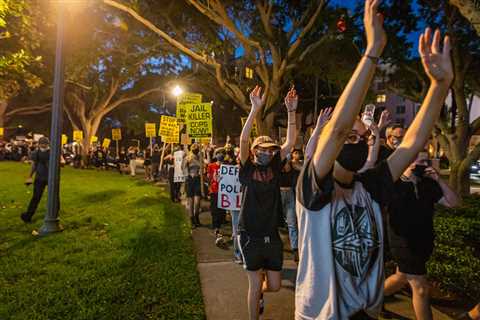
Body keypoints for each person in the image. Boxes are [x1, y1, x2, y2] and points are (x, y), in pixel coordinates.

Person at [295, 0, 454, 317]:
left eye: (364, 137)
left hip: (366, 312)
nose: (360, 141)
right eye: (352, 137)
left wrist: (440, 86)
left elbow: (410, 145)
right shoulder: (314, 188)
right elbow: (339, 128)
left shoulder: (370, 186)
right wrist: (372, 52)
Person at [239, 85, 298, 320]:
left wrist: (291, 111)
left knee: (273, 286)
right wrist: (254, 109)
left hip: (272, 236)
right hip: (250, 235)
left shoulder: (274, 165)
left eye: (271, 150)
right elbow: (244, 139)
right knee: (254, 285)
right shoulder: (247, 168)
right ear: (254, 151)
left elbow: (291, 142)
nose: (268, 153)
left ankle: (260, 295)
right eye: (262, 149)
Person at [384, 151, 460, 320]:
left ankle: (369, 299)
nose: (421, 164)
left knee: (401, 277)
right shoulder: (393, 182)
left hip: (424, 241)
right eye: (417, 160)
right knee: (421, 289)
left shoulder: (428, 183)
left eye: (425, 161)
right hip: (403, 243)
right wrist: (405, 172)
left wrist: (439, 180)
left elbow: (454, 202)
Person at [20, 137, 53, 223]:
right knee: (37, 197)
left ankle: (54, 213)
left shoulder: (52, 152)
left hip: (48, 177)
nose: (43, 145)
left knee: (51, 196)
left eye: (44, 144)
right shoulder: (36, 153)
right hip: (42, 177)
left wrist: (30, 176)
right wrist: (30, 176)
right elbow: (34, 165)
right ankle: (28, 216)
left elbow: (34, 165)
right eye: (42, 143)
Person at [279, 148, 303, 262]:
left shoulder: (294, 168)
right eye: (285, 161)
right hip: (279, 195)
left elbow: (303, 169)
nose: (287, 163)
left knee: (292, 223)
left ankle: (295, 250)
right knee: (277, 224)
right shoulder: (277, 169)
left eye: (288, 161)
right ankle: (277, 248)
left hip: (290, 195)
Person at [183, 143, 204, 228]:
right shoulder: (188, 157)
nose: (196, 149)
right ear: (192, 149)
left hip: (198, 180)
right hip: (190, 180)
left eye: (197, 148)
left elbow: (203, 167)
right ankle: (191, 219)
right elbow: (183, 167)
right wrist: (187, 175)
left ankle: (196, 216)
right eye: (194, 148)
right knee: (191, 201)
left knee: (197, 201)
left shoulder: (200, 157)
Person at [207, 149, 225, 244]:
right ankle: (216, 227)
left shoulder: (227, 167)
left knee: (222, 210)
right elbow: (209, 178)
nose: (220, 155)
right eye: (218, 153)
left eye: (222, 153)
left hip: (224, 191)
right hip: (214, 191)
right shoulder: (211, 166)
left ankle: (219, 225)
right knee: (215, 209)